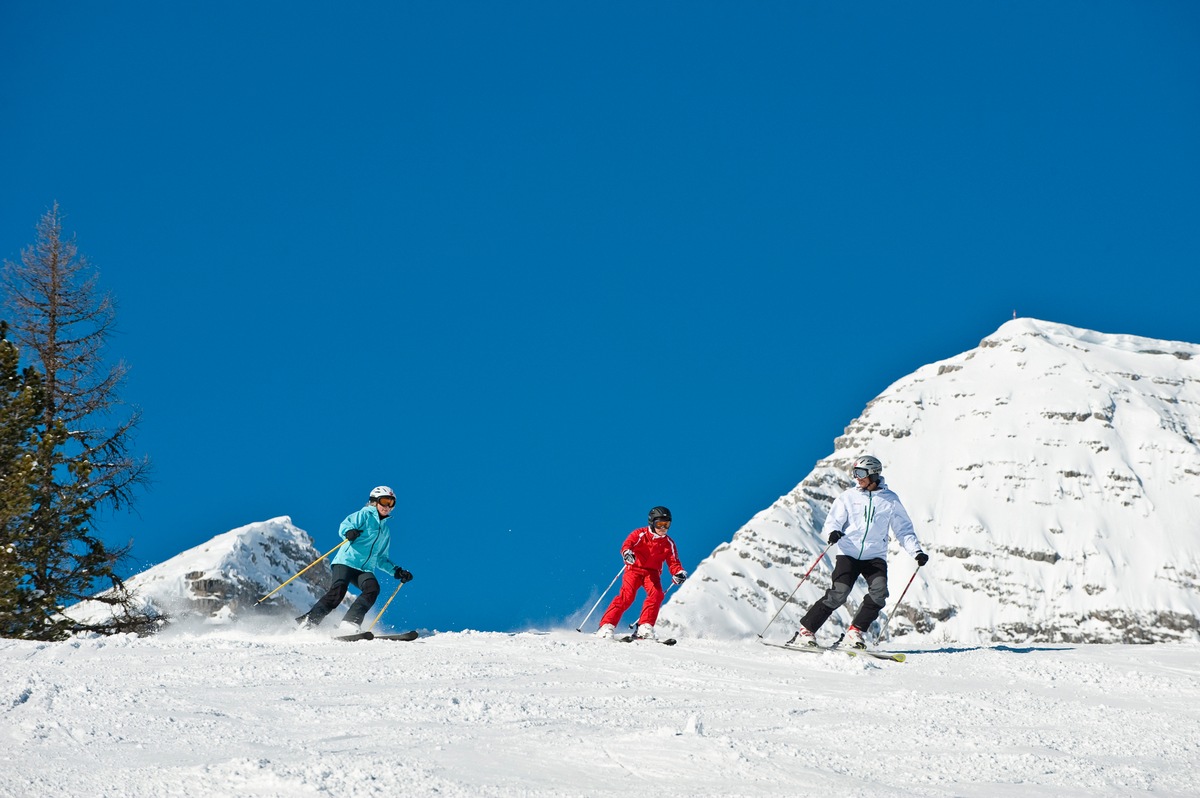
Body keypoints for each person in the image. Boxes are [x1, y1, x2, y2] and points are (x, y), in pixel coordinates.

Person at [788, 455, 928, 650]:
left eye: (861, 473)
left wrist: (917, 552)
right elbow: (832, 522)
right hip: (848, 553)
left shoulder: (890, 500)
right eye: (855, 473)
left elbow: (903, 530)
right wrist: (833, 532)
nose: (857, 478)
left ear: (874, 474)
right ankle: (806, 631)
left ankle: (854, 632)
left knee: (879, 594)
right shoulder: (848, 497)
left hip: (874, 556)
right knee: (839, 593)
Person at [296, 485, 414, 634]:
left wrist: (397, 571)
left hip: (364, 569)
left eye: (391, 503)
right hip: (346, 562)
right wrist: (348, 532)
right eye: (384, 501)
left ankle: (350, 623)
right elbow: (345, 525)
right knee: (338, 592)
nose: (387, 506)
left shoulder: (385, 531)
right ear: (374, 501)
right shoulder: (363, 515)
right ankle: (309, 623)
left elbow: (381, 558)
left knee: (372, 589)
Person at [596, 506, 688, 640]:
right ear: (652, 522)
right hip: (634, 569)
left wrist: (679, 572)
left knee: (656, 595)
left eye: (666, 524)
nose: (663, 528)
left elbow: (673, 562)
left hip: (652, 573)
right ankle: (606, 625)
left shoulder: (668, 543)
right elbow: (628, 544)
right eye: (659, 524)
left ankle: (644, 627)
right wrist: (627, 553)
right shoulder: (640, 534)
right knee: (627, 596)